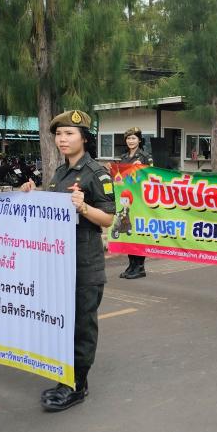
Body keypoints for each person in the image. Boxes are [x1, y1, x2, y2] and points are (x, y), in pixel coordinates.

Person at [22, 110, 115, 411]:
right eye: (59, 134)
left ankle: (77, 385)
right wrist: (32, 195)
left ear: (84, 138)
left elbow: (108, 218)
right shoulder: (60, 173)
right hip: (59, 262)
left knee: (82, 325)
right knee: (63, 322)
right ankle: (66, 378)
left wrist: (84, 207)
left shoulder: (97, 173)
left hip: (84, 263)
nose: (62, 139)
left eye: (69, 134)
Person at [117, 127, 153, 280]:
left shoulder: (145, 157)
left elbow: (152, 176)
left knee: (138, 233)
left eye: (133, 138)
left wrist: (142, 167)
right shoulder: (123, 157)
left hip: (140, 200)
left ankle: (140, 266)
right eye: (128, 138)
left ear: (139, 140)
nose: (130, 141)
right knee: (127, 230)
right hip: (126, 199)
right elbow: (120, 176)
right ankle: (131, 264)